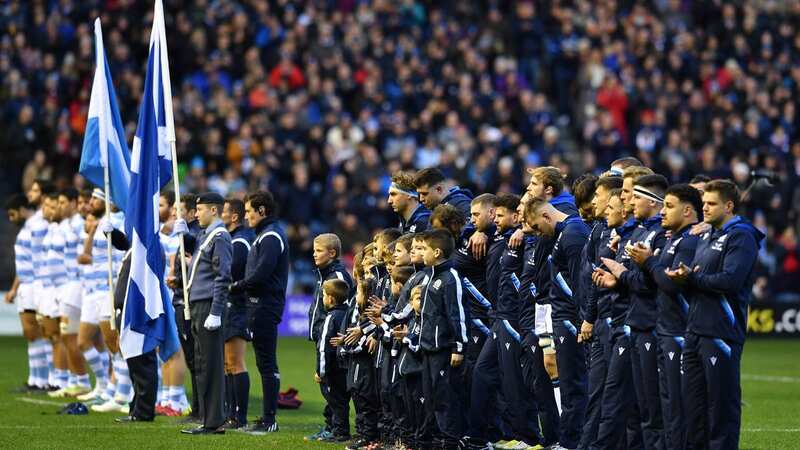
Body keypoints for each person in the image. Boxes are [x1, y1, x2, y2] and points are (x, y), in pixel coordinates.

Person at [666, 179, 762, 450]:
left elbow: (730, 280)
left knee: (721, 410)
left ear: (729, 206)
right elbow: (699, 275)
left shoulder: (741, 235)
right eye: (703, 203)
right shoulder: (709, 234)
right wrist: (684, 277)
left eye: (710, 203)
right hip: (695, 330)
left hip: (720, 332)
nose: (704, 208)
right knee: (693, 411)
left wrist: (692, 279)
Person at [628, 183, 703, 450]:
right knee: (665, 405)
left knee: (678, 408)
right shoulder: (674, 239)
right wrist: (652, 265)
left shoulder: (689, 241)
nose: (663, 212)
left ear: (687, 211)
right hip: (665, 330)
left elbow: (669, 283)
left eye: (669, 207)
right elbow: (662, 277)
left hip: (679, 333)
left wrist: (648, 263)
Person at [599, 174, 669, 450]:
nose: (627, 199)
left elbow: (652, 282)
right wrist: (619, 277)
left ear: (653, 202)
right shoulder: (637, 232)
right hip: (632, 322)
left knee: (651, 409)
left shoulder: (657, 234)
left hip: (649, 325)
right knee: (636, 408)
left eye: (633, 194)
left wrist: (622, 274)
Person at [470, 193, 544, 448]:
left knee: (513, 380)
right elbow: (476, 224)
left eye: (500, 215)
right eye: (495, 214)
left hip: (512, 316)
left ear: (515, 217)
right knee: (484, 373)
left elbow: (524, 278)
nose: (495, 219)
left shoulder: (522, 240)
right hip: (499, 314)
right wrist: (478, 231)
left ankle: (528, 436)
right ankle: (492, 434)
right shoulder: (499, 236)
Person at [524, 196, 590, 450]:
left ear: (546, 216)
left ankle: (571, 442)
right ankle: (569, 440)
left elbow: (578, 283)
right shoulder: (562, 233)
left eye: (538, 228)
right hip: (561, 316)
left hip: (571, 320)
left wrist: (583, 319)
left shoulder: (573, 234)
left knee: (573, 383)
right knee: (568, 381)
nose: (539, 234)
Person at [231, 190, 289, 434]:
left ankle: (270, 420)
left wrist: (237, 286)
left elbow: (262, 274)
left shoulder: (271, 236)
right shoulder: (265, 234)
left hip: (265, 305)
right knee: (263, 362)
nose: (246, 217)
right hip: (258, 304)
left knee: (267, 363)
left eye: (248, 211)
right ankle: (266, 417)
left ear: (262, 210)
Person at [175, 192, 232, 435]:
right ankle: (208, 418)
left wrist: (217, 311)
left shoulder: (220, 237)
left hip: (209, 305)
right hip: (199, 304)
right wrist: (183, 234)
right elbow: (198, 253)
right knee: (201, 363)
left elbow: (223, 275)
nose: (195, 214)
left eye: (199, 210)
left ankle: (214, 420)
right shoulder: (205, 236)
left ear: (214, 211)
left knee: (210, 365)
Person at [578, 175, 623, 450]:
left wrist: (590, 316)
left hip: (619, 322)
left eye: (599, 195)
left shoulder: (624, 234)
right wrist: (589, 315)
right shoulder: (599, 230)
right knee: (598, 393)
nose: (595, 201)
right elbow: (593, 276)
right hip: (601, 317)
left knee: (614, 396)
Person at [418, 229, 469, 449]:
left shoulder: (450, 278)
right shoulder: (431, 275)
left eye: (425, 249)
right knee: (430, 397)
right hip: (428, 347)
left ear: (437, 252)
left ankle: (450, 441)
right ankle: (436, 439)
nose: (421, 253)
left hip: (443, 349)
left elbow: (457, 315)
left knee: (444, 397)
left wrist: (458, 347)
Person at [307, 233, 354, 441]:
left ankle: (337, 429)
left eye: (318, 250)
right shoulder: (324, 274)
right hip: (324, 337)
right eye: (314, 250)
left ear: (332, 253)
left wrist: (339, 335)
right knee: (330, 389)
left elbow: (346, 308)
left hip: (335, 343)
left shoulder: (338, 277)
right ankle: (331, 426)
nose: (314, 254)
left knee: (334, 387)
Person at [4, 194, 50, 391]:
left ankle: (46, 379)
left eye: (12, 214)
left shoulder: (38, 226)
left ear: (22, 210)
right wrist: (15, 288)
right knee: (31, 333)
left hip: (35, 284)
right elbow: (24, 263)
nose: (11, 218)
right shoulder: (29, 227)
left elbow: (40, 259)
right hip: (26, 285)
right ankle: (36, 379)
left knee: (40, 332)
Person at [220, 197, 255, 428]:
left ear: (234, 216)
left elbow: (233, 272)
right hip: (230, 306)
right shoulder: (234, 239)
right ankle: (230, 413)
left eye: (223, 211)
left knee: (235, 362)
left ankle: (239, 416)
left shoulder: (240, 242)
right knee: (227, 363)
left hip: (237, 306)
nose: (220, 215)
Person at [53, 188, 91, 397]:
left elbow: (84, 257)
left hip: (78, 285)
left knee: (72, 336)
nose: (59, 206)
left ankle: (84, 381)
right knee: (68, 336)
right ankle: (78, 380)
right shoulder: (67, 224)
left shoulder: (79, 224)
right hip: (68, 285)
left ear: (73, 203)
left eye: (61, 202)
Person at [315, 279, 352, 443]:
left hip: (333, 370)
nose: (322, 298)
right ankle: (340, 430)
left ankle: (340, 432)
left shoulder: (331, 317)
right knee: (342, 401)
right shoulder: (348, 313)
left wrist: (320, 371)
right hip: (346, 368)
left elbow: (324, 347)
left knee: (336, 401)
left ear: (330, 298)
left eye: (323, 295)